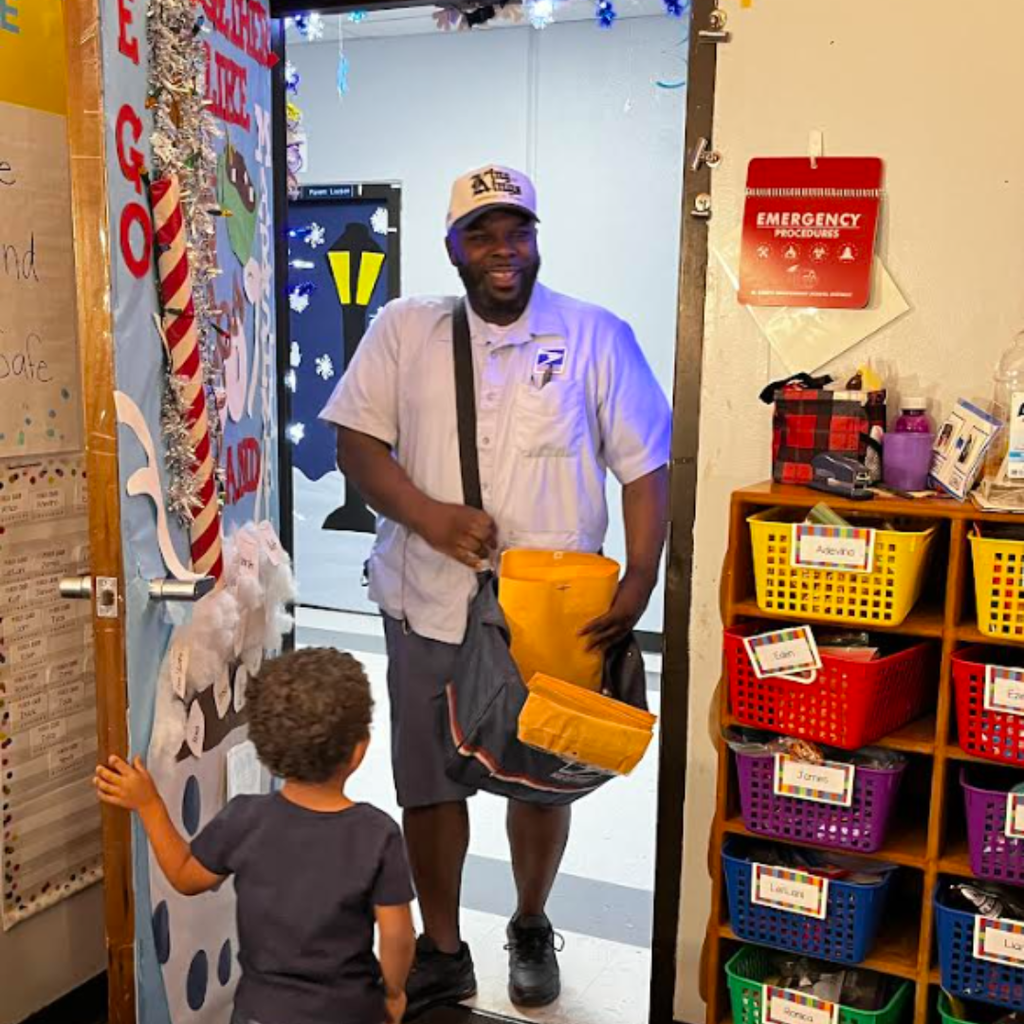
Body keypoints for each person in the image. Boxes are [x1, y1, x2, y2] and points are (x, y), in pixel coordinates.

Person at [320, 163, 671, 1019]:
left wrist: (642, 574)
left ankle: (528, 921)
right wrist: (428, 515)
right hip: (426, 604)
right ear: (451, 248)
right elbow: (358, 450)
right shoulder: (404, 331)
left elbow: (645, 467)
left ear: (537, 240)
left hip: (550, 620)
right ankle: (443, 950)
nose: (502, 249)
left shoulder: (596, 335)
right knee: (430, 783)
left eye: (516, 230)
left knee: (541, 777)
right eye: (481, 233)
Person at [93, 648, 417, 1024]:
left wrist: (148, 803)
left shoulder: (245, 819)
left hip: (260, 1013)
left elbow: (184, 875)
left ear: (264, 748)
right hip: (348, 1012)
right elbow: (398, 935)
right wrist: (393, 993)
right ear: (358, 752)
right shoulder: (377, 835)